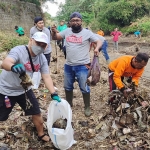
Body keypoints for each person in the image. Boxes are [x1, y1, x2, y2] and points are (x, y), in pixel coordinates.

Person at [0, 32, 61, 142]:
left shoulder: (41, 58)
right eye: (38, 43)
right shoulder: (19, 50)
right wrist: (13, 66)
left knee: (36, 112)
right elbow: (5, 63)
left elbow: (46, 76)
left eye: (43, 45)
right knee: (1, 116)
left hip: (24, 90)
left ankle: (41, 134)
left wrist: (53, 93)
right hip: (6, 90)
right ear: (31, 40)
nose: (40, 47)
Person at [51, 12, 102, 117]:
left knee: (84, 87)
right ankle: (69, 104)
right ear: (70, 22)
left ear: (81, 21)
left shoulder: (87, 33)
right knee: (67, 87)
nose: (75, 22)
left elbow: (99, 40)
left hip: (83, 66)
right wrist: (53, 32)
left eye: (77, 20)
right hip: (69, 65)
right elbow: (56, 37)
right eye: (73, 20)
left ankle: (87, 106)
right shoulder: (67, 31)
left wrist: (96, 48)